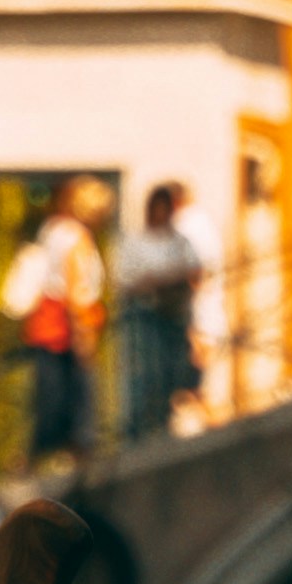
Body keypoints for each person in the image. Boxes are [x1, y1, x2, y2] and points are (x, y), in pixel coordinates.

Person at [1, 177, 105, 471]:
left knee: (49, 395)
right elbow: (75, 287)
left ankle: (38, 454)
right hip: (66, 324)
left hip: (47, 324)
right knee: (77, 395)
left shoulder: (51, 230)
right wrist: (83, 334)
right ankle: (76, 451)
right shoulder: (76, 238)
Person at [108, 182, 207, 440]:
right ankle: (138, 429)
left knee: (170, 371)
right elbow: (124, 280)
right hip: (144, 314)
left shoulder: (180, 241)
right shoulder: (135, 242)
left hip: (173, 313)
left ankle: (162, 422)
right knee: (144, 373)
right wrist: (154, 282)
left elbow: (196, 270)